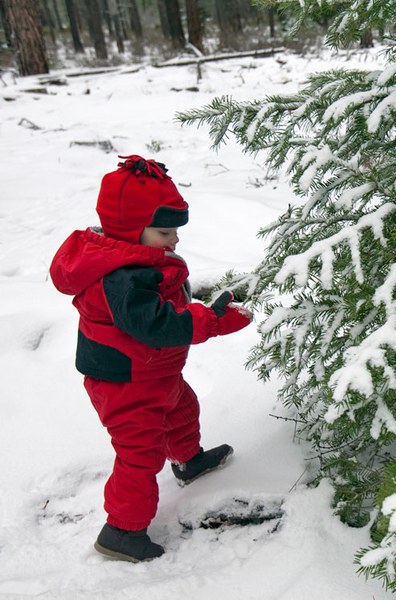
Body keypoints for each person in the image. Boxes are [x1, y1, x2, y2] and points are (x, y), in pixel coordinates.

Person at [50, 154, 252, 563]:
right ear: (130, 230)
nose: (174, 240)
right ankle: (122, 532)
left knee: (181, 409)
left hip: (151, 371)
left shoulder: (135, 257)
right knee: (140, 454)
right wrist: (210, 321)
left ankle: (188, 461)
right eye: (164, 232)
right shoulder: (121, 277)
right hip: (124, 381)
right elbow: (154, 324)